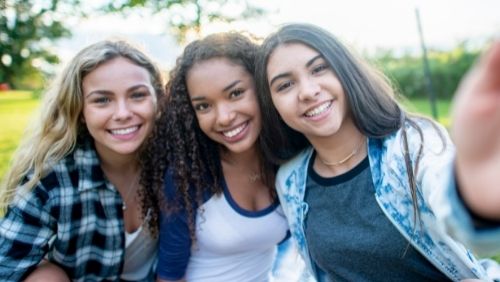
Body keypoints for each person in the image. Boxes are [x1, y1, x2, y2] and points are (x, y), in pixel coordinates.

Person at [254, 23, 500, 281]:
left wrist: (474, 195)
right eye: (285, 85)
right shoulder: (291, 180)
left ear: (344, 71)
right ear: (273, 104)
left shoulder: (411, 144)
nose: (308, 91)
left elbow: (452, 207)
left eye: (319, 69)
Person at [0, 39, 165, 281]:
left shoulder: (177, 160)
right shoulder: (52, 179)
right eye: (102, 100)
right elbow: (5, 269)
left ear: (158, 100)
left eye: (137, 95)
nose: (123, 113)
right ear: (80, 111)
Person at [139, 32, 291, 282]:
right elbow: (169, 275)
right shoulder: (188, 176)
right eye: (204, 106)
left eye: (235, 93)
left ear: (262, 86)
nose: (223, 117)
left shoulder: (287, 159)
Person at [436, 40, 500, 256]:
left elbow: (437, 196)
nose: (322, 88)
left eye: (323, 68)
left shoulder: (409, 143)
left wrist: (473, 203)